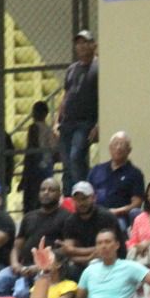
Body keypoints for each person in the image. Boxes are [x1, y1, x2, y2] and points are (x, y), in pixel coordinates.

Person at [0, 177, 69, 298]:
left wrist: (38, 267)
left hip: (46, 270)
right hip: (22, 267)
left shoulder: (66, 217)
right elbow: (16, 246)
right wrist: (15, 264)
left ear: (60, 194)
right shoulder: (29, 217)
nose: (46, 192)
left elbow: (65, 249)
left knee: (21, 293)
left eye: (51, 190)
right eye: (43, 189)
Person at [54, 29, 98, 195]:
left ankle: (82, 194)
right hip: (67, 122)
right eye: (78, 43)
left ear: (94, 45)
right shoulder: (72, 69)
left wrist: (98, 124)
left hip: (85, 122)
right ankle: (68, 198)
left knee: (76, 158)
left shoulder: (98, 67)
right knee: (66, 163)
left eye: (85, 42)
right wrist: (56, 121)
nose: (81, 46)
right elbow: (65, 96)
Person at [59, 180, 121, 282]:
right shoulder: (70, 221)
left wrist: (76, 251)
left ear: (93, 198)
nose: (81, 203)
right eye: (77, 200)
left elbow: (110, 248)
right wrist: (89, 256)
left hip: (108, 262)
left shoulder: (106, 217)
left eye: (84, 199)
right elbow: (69, 252)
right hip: (80, 265)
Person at [87, 131, 146, 232]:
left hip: (119, 217)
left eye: (122, 145)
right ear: (110, 148)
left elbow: (137, 203)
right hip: (94, 215)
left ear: (129, 150)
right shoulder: (97, 170)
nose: (118, 147)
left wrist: (115, 211)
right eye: (115, 144)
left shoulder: (135, 173)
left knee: (118, 227)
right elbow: (86, 194)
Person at [19, 101, 55, 213]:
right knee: (44, 197)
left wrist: (24, 175)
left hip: (35, 167)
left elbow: (31, 150)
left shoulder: (34, 128)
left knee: (31, 199)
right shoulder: (49, 130)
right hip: (47, 166)